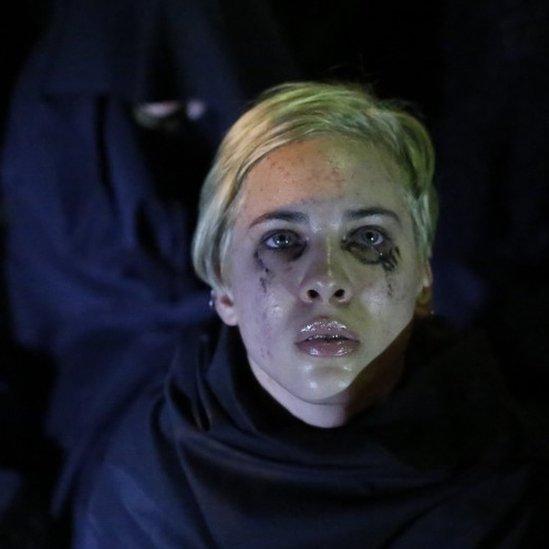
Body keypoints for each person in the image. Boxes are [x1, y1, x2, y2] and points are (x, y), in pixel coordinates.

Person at [73, 82, 547, 547]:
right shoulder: (150, 490)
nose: (326, 278)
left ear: (423, 279)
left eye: (368, 238)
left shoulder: (509, 470)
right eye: (281, 240)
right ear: (225, 290)